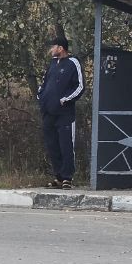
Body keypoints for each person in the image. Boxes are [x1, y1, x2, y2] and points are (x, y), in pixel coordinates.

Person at [37, 35, 84, 188]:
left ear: (61, 48)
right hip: (48, 112)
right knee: (52, 145)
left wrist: (65, 99)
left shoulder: (73, 63)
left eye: (53, 47)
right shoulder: (51, 64)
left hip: (65, 114)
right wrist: (41, 96)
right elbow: (44, 83)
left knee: (66, 145)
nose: (51, 50)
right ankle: (58, 176)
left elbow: (80, 87)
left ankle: (67, 178)